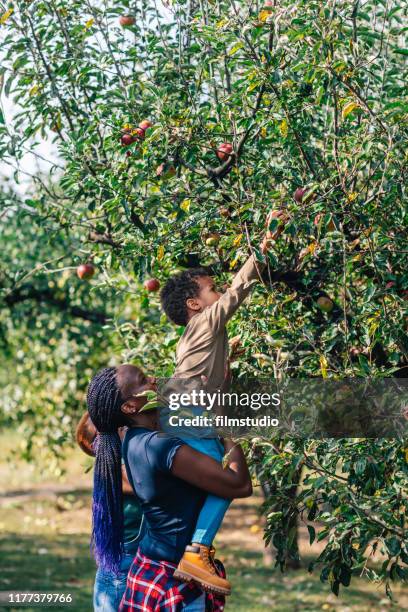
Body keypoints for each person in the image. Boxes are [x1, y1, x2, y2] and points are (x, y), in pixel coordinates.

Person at [159, 210, 288, 592]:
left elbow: (204, 370)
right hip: (191, 408)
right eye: (210, 290)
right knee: (226, 477)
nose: (217, 294)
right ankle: (197, 550)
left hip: (183, 406)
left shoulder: (194, 335)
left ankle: (194, 546)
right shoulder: (206, 321)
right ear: (195, 305)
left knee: (218, 477)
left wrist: (226, 360)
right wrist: (265, 243)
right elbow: (239, 290)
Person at [86, 364, 252, 610]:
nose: (154, 380)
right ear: (130, 407)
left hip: (155, 568)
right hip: (170, 579)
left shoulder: (135, 439)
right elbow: (239, 485)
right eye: (143, 380)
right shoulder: (158, 446)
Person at [75, 412, 144, 612]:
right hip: (121, 561)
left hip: (139, 556)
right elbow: (147, 486)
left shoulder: (131, 451)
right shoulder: (112, 467)